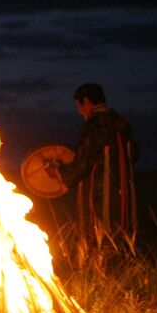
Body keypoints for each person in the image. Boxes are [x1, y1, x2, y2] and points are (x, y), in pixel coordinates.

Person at [56, 82, 139, 257]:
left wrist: (59, 172)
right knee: (120, 233)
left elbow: (83, 162)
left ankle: (99, 274)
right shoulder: (121, 124)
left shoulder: (95, 125)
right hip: (123, 191)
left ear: (86, 102)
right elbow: (134, 155)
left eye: (79, 106)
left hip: (100, 193)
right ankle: (120, 269)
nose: (79, 112)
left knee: (99, 235)